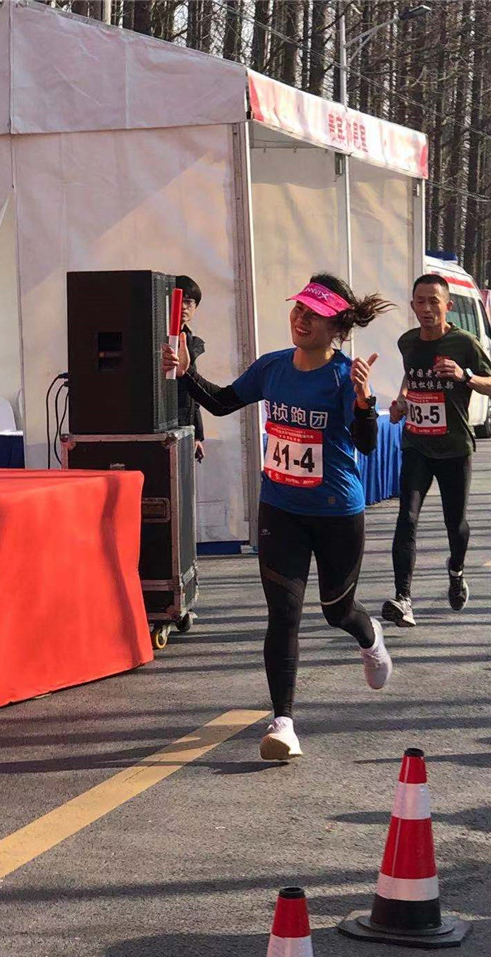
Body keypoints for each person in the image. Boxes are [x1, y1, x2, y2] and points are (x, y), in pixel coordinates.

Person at [163, 273, 394, 762]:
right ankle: (283, 723)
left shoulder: (344, 376)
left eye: (314, 314)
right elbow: (223, 402)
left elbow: (367, 444)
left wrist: (364, 403)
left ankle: (370, 637)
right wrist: (185, 373)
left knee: (336, 611)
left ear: (336, 327)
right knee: (283, 613)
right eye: (298, 309)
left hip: (335, 512)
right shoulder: (272, 367)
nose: (301, 318)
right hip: (280, 508)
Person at [382, 274, 491, 627]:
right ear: (412, 305)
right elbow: (410, 377)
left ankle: (456, 571)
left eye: (433, 301)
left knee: (454, 524)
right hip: (416, 444)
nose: (426, 308)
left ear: (448, 305)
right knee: (407, 518)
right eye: (420, 301)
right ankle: (403, 598)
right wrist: (401, 401)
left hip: (454, 449)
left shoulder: (464, 343)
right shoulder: (407, 342)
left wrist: (465, 376)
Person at [175, 276, 206, 462]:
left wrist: (196, 435)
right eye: (179, 300)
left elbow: (193, 393)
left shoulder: (190, 340)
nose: (183, 307)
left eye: (189, 302)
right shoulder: (156, 336)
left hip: (184, 427)